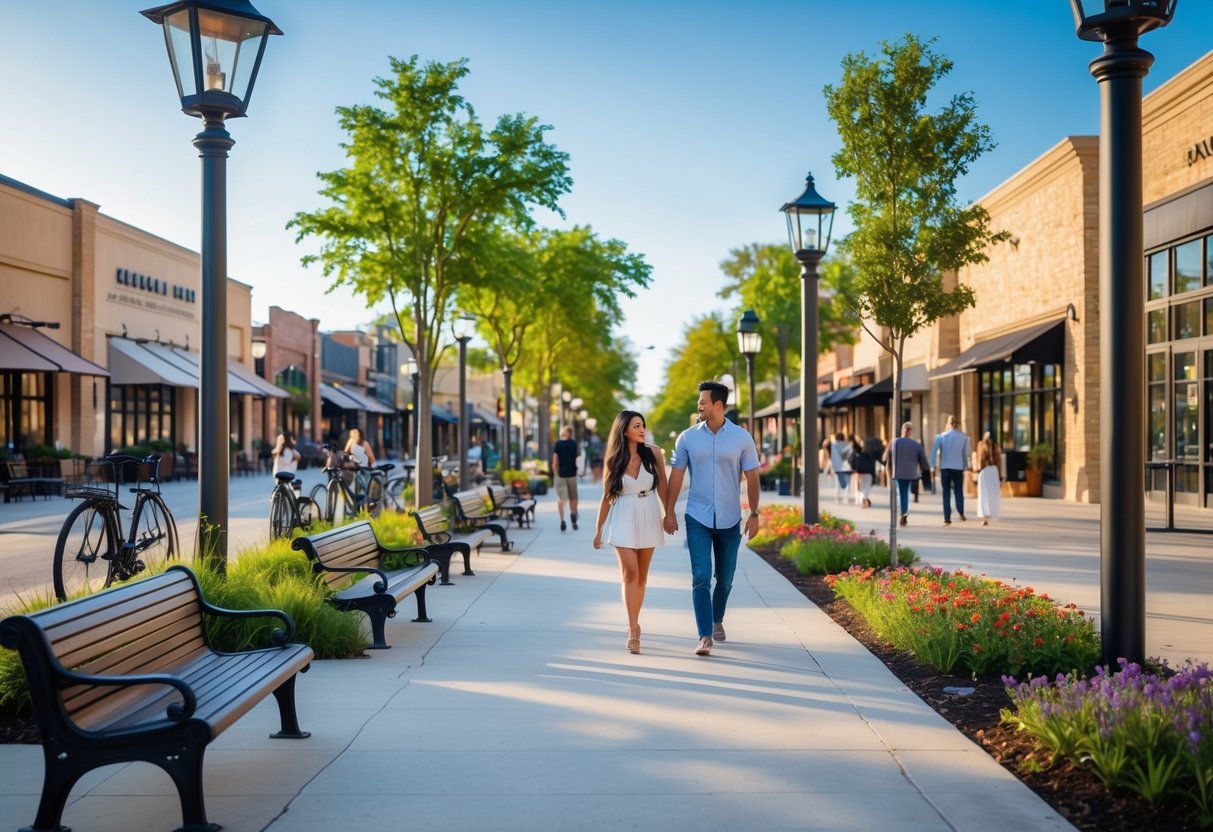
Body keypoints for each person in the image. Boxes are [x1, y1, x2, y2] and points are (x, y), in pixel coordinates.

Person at [662, 380, 761, 657]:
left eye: (703, 401)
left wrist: (754, 513)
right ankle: (705, 635)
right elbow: (677, 476)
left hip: (730, 517)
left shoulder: (742, 438)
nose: (699, 405)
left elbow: (753, 477)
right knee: (701, 576)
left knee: (726, 578)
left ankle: (717, 618)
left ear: (718, 405)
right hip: (698, 516)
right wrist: (669, 511)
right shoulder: (687, 438)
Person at [592, 411, 667, 654]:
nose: (642, 429)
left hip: (648, 513)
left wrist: (670, 514)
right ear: (625, 430)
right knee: (630, 574)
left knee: (642, 577)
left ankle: (635, 622)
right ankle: (633, 628)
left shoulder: (654, 453)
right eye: (637, 426)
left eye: (643, 425)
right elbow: (606, 497)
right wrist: (598, 529)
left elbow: (663, 486)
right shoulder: (614, 459)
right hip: (623, 515)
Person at [884, 422, 930, 526]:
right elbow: (923, 460)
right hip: (910, 473)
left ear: (902, 430)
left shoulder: (894, 442)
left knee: (900, 492)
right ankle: (903, 512)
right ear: (911, 432)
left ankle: (902, 512)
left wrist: (888, 470)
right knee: (904, 493)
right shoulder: (916, 444)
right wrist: (926, 469)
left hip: (897, 472)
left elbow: (885, 457)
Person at [931, 415, 972, 526]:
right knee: (958, 491)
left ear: (948, 424)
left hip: (945, 468)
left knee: (946, 493)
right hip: (958, 468)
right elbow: (967, 454)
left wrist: (932, 466)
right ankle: (961, 512)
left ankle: (947, 518)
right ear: (957, 424)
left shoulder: (940, 437)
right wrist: (966, 466)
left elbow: (934, 452)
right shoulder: (964, 437)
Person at [551, 426, 580, 531]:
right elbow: (577, 457)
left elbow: (555, 461)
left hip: (561, 475)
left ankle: (562, 521)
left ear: (563, 432)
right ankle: (573, 514)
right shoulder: (574, 444)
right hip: (572, 474)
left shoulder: (558, 444)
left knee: (560, 498)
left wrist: (554, 472)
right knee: (573, 497)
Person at [975, 431, 1003, 526]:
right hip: (993, 471)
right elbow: (999, 461)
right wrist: (1000, 475)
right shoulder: (995, 447)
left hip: (984, 471)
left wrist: (976, 470)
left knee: (983, 495)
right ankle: (990, 514)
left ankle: (985, 517)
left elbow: (979, 459)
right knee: (992, 494)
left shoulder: (981, 445)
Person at [850, 435, 876, 508]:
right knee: (865, 488)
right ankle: (864, 501)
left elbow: (857, 465)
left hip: (862, 474)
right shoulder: (869, 455)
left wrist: (857, 472)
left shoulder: (859, 456)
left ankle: (863, 501)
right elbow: (872, 466)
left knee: (862, 489)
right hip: (869, 474)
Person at [828, 432, 852, 504]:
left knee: (837, 483)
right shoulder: (847, 445)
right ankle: (846, 499)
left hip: (838, 467)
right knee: (847, 483)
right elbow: (850, 456)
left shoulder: (833, 445)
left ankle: (837, 498)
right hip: (847, 466)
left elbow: (833, 458)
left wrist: (831, 468)